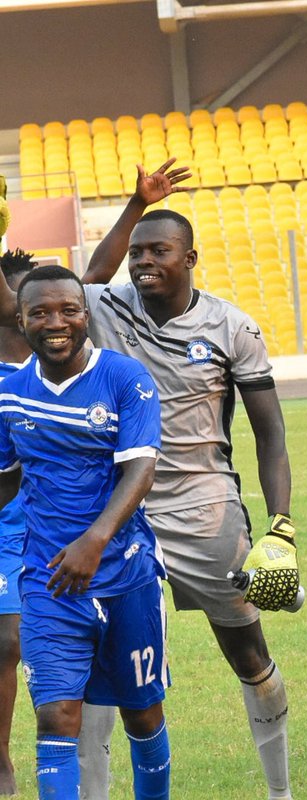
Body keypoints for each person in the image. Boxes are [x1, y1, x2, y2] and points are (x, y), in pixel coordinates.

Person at [38, 194, 298, 799]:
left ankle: (281, 791)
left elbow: (270, 431)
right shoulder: (106, 308)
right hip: (117, 509)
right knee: (100, 663)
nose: (143, 261)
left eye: (159, 251)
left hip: (203, 506)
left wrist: (280, 527)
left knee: (247, 651)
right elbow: (78, 286)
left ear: (191, 258)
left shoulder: (232, 326)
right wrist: (134, 206)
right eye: (136, 252)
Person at [0, 266, 170, 800]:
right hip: (49, 582)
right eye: (41, 313)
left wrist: (94, 541)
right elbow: (6, 482)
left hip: (127, 574)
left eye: (68, 310)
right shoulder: (11, 395)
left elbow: (140, 470)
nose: (57, 323)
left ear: (85, 313)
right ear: (21, 321)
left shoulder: (125, 378)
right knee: (55, 718)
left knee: (143, 715)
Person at [0, 250, 34, 795]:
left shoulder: (66, 352)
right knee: (7, 642)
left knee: (10, 642)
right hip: (9, 512)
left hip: (50, 517)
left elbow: (94, 276)